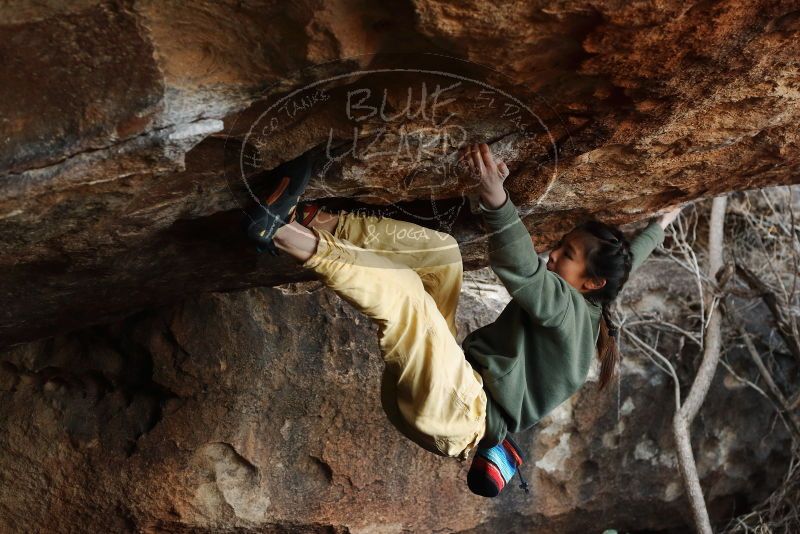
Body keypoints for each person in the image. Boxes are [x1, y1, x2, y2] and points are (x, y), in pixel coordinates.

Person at [242, 142, 684, 498]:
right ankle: (313, 218)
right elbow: (627, 265)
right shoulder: (592, 298)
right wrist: (658, 227)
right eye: (562, 246)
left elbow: (525, 272)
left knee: (407, 296)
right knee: (443, 258)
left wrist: (496, 197)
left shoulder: (567, 310)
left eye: (566, 255)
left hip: (459, 413)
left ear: (590, 283)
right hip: (454, 384)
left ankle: (275, 229)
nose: (553, 255)